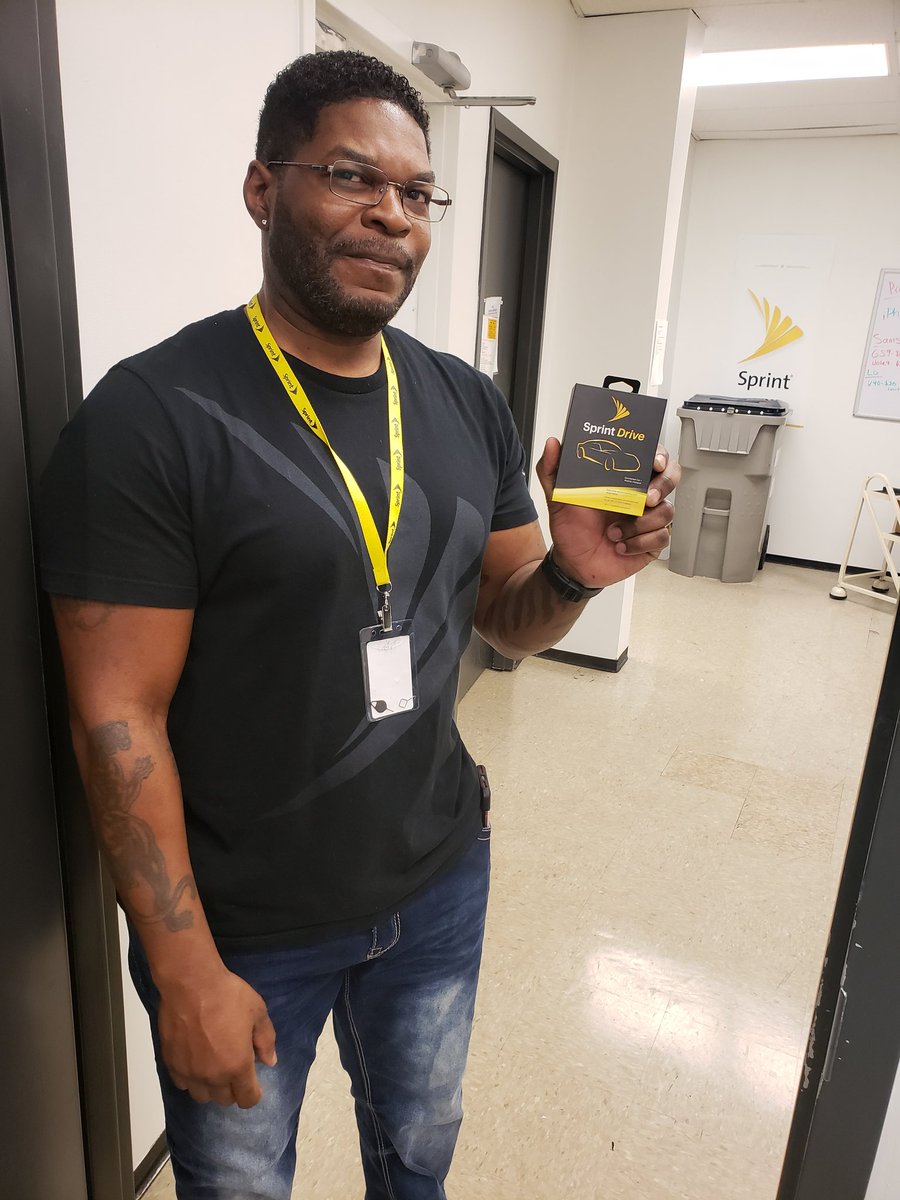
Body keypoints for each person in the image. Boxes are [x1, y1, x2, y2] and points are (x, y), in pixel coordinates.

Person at [40, 50, 678, 1200]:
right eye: (351, 175)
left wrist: (575, 574)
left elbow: (507, 618)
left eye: (417, 191)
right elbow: (116, 714)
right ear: (262, 188)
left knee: (419, 1158)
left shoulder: (464, 400)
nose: (393, 213)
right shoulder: (150, 418)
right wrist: (182, 969)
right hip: (245, 928)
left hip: (437, 883)